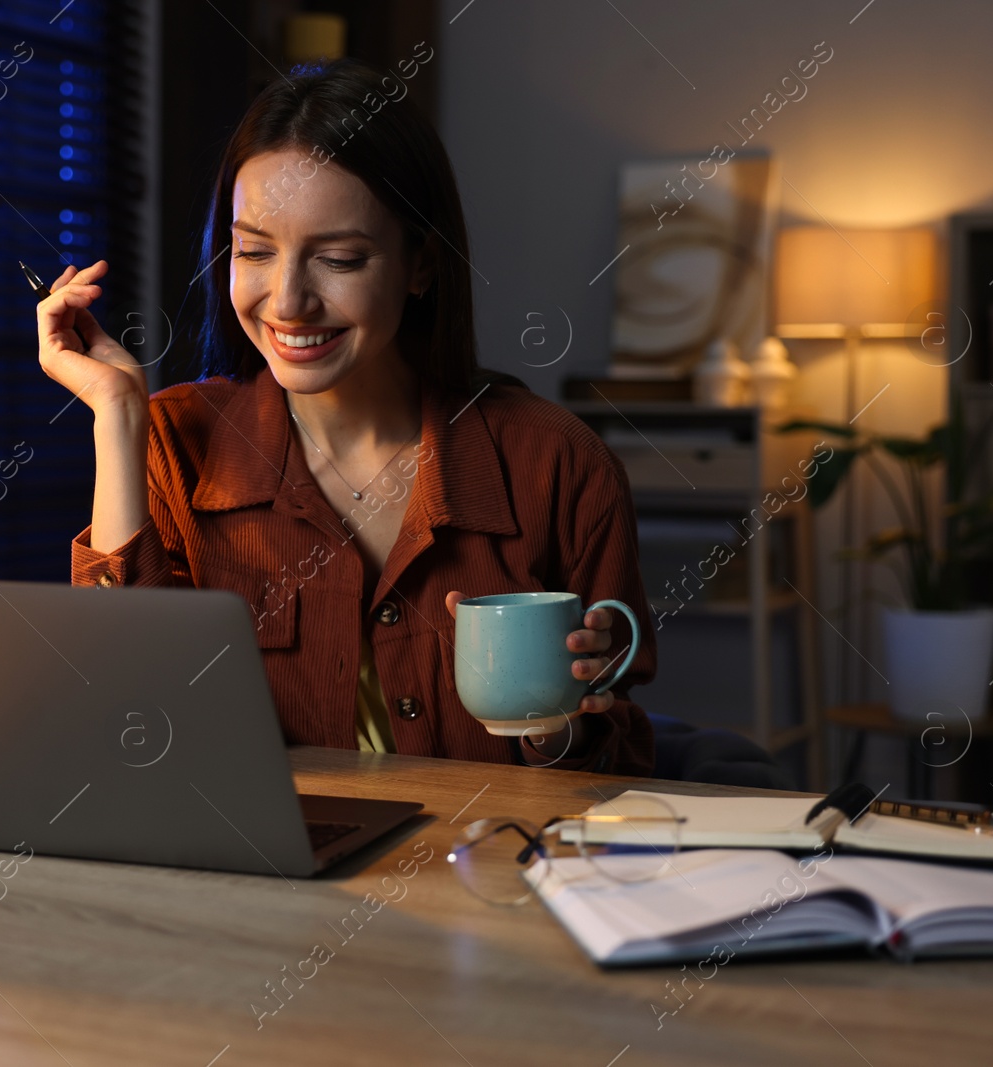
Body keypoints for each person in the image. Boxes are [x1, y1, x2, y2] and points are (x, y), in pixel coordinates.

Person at [35, 58, 655, 775]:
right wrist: (116, 415)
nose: (288, 301)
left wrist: (561, 723)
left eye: (338, 258)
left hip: (486, 872)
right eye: (255, 252)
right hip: (263, 874)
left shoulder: (557, 464)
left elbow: (617, 764)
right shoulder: (176, 439)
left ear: (421, 264)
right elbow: (127, 718)